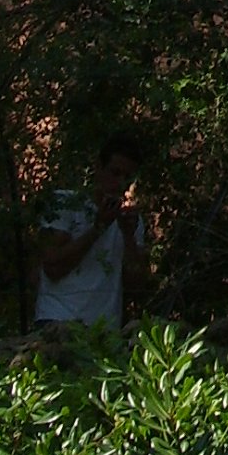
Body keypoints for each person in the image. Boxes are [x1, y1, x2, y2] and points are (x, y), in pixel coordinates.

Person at [33, 131, 149, 328]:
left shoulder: (131, 222)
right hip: (57, 321)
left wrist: (129, 237)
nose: (119, 182)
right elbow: (52, 266)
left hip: (103, 330)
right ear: (98, 168)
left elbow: (136, 287)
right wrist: (99, 227)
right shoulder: (64, 204)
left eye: (127, 177)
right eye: (115, 173)